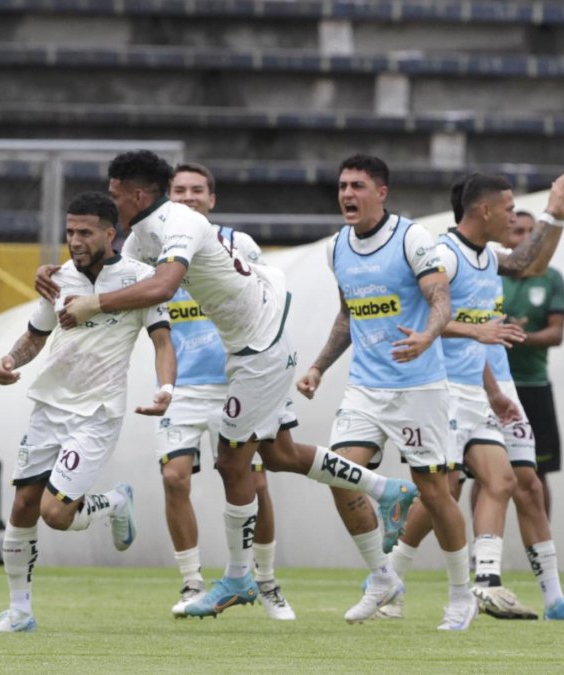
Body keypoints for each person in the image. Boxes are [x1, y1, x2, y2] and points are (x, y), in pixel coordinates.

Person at [51, 150, 418, 623]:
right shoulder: (143, 233)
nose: (111, 200)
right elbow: (113, 269)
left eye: (115, 192)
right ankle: (388, 492)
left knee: (232, 461)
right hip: (250, 345)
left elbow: (162, 287)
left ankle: (242, 578)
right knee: (281, 454)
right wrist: (59, 275)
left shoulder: (180, 223)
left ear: (137, 194)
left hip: (258, 348)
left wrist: (93, 304)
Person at [387, 175, 564, 623]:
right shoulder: (444, 255)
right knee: (443, 490)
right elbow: (424, 320)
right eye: (507, 209)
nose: (512, 215)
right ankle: (391, 574)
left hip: (492, 387)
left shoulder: (485, 256)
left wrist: (557, 215)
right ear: (483, 210)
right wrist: (480, 338)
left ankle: (542, 595)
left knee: (525, 485)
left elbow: (528, 263)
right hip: (451, 390)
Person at [295, 154, 476, 630]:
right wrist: (317, 366)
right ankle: (383, 577)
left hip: (419, 388)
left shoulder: (412, 238)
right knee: (339, 475)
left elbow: (440, 297)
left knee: (436, 494)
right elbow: (347, 314)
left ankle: (461, 596)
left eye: (357, 186)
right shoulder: (337, 247)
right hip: (365, 387)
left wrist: (427, 336)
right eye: (342, 186)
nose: (347, 195)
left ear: (382, 192)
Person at [0, 191, 176, 633]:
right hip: (48, 407)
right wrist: (8, 362)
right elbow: (35, 335)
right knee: (24, 505)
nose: (75, 240)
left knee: (55, 513)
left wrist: (166, 388)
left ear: (111, 233)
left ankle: (114, 502)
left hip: (97, 412)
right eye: (70, 231)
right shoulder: (59, 278)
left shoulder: (140, 280)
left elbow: (163, 341)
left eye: (85, 232)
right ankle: (19, 612)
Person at [157, 162, 294, 620]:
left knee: (254, 480)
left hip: (238, 377)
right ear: (167, 198)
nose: (189, 197)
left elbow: (268, 303)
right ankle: (192, 581)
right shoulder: (156, 249)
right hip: (186, 386)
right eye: (180, 191)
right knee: (174, 478)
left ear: (211, 200)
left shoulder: (239, 244)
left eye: (198, 190)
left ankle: (266, 581)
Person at [500, 210, 564, 515]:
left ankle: (542, 547)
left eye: (531, 232)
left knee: (537, 473)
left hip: (535, 386)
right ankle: (480, 553)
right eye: (517, 232)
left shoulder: (552, 278)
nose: (525, 238)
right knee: (488, 473)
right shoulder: (492, 275)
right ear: (506, 237)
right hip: (496, 389)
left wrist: (519, 335)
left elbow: (556, 333)